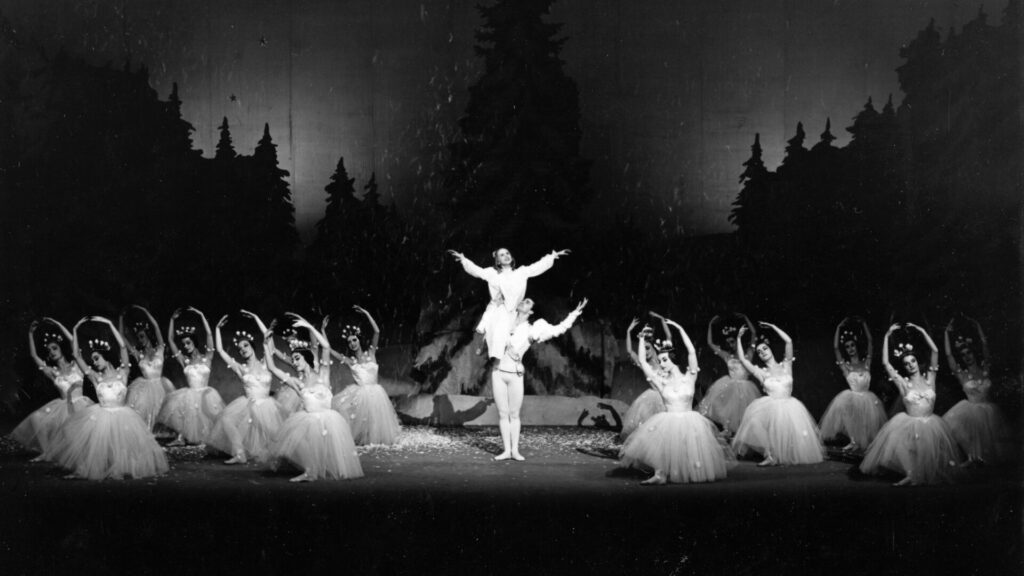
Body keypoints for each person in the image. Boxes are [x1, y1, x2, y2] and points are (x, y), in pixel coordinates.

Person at [50, 316, 168, 480]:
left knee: (124, 451)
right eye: (93, 360)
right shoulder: (95, 377)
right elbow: (77, 355)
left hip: (123, 417)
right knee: (98, 451)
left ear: (106, 357)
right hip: (101, 417)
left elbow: (122, 347)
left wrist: (109, 324)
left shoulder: (123, 373)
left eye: (97, 358)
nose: (94, 362)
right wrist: (76, 329)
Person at [619, 316, 728, 484]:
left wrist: (680, 329)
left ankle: (686, 472)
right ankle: (660, 474)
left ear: (673, 359)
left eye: (664, 360)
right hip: (668, 421)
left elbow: (691, 352)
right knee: (663, 447)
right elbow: (642, 361)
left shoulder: (690, 377)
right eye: (660, 360)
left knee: (689, 452)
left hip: (690, 421)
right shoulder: (661, 382)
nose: (661, 363)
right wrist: (640, 339)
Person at [859, 323, 962, 485]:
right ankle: (911, 474)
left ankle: (920, 474)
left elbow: (935, 351)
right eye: (906, 363)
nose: (911, 365)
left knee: (934, 463)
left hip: (930, 424)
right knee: (900, 444)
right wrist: (887, 336)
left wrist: (921, 331)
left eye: (913, 361)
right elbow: (886, 364)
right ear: (904, 367)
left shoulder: (930, 378)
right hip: (910, 423)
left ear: (917, 361)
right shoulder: (903, 383)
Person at [267, 314, 363, 482]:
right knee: (292, 443)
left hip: (329, 421)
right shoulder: (298, 383)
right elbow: (273, 368)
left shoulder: (323, 375)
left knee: (323, 451)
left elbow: (325, 347)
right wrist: (265, 343)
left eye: (297, 358)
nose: (294, 362)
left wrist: (310, 327)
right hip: (308, 420)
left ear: (306, 358)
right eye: (293, 359)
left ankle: (315, 468)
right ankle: (310, 471)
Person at [491, 297, 588, 461]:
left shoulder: (533, 329)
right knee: (502, 413)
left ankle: (515, 451)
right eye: (523, 300)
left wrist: (574, 314)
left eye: (528, 302)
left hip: (515, 373)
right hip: (498, 372)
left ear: (531, 312)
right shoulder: (505, 320)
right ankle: (506, 450)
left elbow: (558, 329)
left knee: (514, 414)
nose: (523, 301)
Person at [731, 322, 825, 466]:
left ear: (771, 349)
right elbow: (743, 360)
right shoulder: (762, 373)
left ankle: (784, 454)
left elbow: (789, 341)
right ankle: (770, 454)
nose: (762, 352)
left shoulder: (786, 365)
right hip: (771, 407)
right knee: (754, 423)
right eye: (759, 352)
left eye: (765, 348)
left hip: (790, 407)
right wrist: (738, 338)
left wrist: (773, 327)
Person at [448, 247, 570, 358]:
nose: (506, 256)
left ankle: (495, 347)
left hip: (514, 311)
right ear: (497, 261)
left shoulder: (521, 272)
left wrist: (552, 256)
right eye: (502, 255)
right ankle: (489, 346)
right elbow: (477, 271)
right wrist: (464, 259)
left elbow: (537, 267)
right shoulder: (492, 273)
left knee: (514, 338)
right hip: (499, 309)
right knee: (499, 333)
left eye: (507, 253)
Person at [206, 310, 285, 464]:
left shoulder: (265, 363)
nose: (243, 349)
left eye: (245, 345)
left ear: (252, 346)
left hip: (267, 407)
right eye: (240, 348)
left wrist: (256, 318)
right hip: (248, 405)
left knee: (275, 438)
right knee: (226, 419)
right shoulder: (241, 368)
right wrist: (217, 329)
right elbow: (220, 351)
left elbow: (269, 340)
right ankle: (239, 453)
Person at [11, 318, 93, 461]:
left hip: (80, 404)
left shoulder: (76, 365)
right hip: (63, 406)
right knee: (36, 418)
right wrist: (30, 334)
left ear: (61, 348)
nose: (52, 352)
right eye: (49, 350)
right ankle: (47, 452)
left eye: (54, 348)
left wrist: (59, 324)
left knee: (76, 439)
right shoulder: (53, 372)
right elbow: (34, 356)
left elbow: (73, 341)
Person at [941, 317, 1012, 465]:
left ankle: (985, 462)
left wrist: (978, 326)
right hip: (970, 412)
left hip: (989, 412)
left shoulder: (985, 368)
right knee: (972, 443)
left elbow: (985, 346)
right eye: (963, 355)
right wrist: (946, 333)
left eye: (969, 353)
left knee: (993, 451)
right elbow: (949, 356)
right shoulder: (962, 374)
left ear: (973, 353)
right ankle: (972, 458)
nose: (967, 356)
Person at [328, 306, 401, 445]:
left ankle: (378, 439)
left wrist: (367, 313)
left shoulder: (371, 353)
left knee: (377, 420)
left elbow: (377, 332)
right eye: (349, 342)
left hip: (376, 393)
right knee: (353, 415)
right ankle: (361, 438)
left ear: (359, 340)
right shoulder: (350, 361)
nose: (352, 343)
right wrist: (322, 332)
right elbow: (331, 351)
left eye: (354, 340)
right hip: (361, 394)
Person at [158, 307, 225, 446]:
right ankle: (181, 438)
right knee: (186, 413)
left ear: (194, 341)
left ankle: (206, 438)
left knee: (207, 418)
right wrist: (172, 320)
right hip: (189, 394)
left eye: (188, 343)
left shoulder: (207, 357)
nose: (185, 346)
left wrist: (201, 315)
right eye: (183, 344)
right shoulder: (185, 360)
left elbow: (209, 334)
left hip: (206, 394)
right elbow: (170, 340)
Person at [819, 317, 886, 453]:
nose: (850, 349)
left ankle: (869, 445)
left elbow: (870, 342)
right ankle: (853, 442)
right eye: (847, 347)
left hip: (867, 398)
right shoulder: (846, 367)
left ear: (856, 346)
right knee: (851, 419)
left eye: (852, 345)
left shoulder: (866, 363)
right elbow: (836, 348)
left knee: (867, 422)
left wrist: (864, 324)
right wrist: (838, 328)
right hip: (853, 397)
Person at [697, 314, 762, 437]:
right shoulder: (727, 356)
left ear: (738, 341)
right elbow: (710, 343)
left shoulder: (748, 354)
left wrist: (745, 318)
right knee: (725, 409)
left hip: (746, 388)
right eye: (728, 343)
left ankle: (743, 435)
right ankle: (728, 430)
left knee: (746, 413)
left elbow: (754, 334)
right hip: (730, 385)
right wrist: (710, 325)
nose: (730, 345)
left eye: (732, 342)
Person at [121, 305, 175, 430]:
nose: (140, 340)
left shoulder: (160, 349)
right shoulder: (138, 354)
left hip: (161, 386)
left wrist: (145, 311)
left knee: (163, 414)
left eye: (142, 336)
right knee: (145, 417)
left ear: (148, 335)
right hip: (144, 389)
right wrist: (121, 318)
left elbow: (156, 327)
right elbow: (122, 337)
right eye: (138, 337)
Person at [617, 317, 667, 441]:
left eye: (648, 348)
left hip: (668, 396)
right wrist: (628, 331)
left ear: (653, 347)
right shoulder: (643, 364)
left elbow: (668, 338)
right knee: (650, 428)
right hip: (653, 398)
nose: (646, 351)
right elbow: (630, 351)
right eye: (643, 349)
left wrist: (661, 321)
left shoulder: (663, 360)